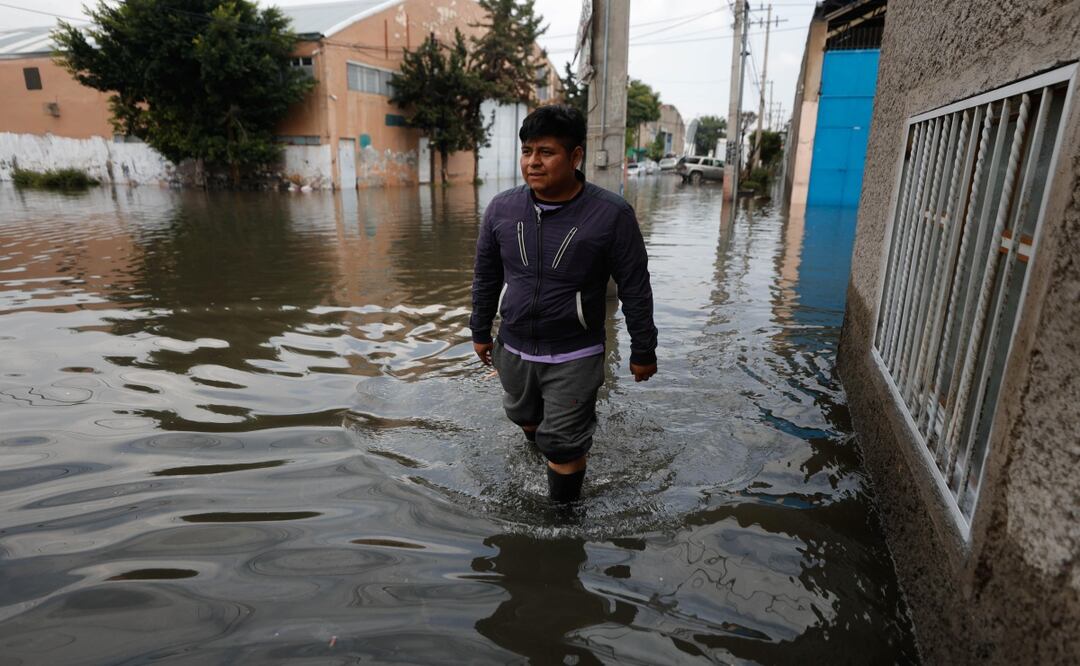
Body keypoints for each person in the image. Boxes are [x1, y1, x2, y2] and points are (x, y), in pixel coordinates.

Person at [470, 104, 658, 503]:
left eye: (546, 152)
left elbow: (635, 285)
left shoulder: (610, 214)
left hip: (575, 352)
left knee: (565, 443)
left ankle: (564, 523)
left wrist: (644, 348)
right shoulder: (502, 209)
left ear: (575, 157)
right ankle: (542, 456)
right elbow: (486, 275)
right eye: (527, 152)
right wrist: (479, 328)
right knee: (527, 420)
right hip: (514, 346)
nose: (533, 163)